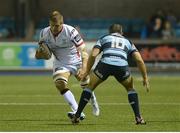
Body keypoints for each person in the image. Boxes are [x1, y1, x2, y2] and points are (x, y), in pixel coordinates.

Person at [71, 24, 150, 125]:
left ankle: (77, 116)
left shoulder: (104, 38)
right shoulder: (128, 41)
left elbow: (94, 55)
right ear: (122, 32)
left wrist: (86, 71)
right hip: (122, 66)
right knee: (131, 89)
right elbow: (139, 60)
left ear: (109, 32)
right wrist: (145, 78)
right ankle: (138, 118)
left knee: (89, 87)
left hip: (105, 65)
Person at [35, 11, 100, 120]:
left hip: (77, 61)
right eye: (51, 25)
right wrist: (39, 54)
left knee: (86, 85)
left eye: (57, 26)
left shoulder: (71, 31)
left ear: (62, 23)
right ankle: (77, 111)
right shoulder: (43, 33)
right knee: (60, 83)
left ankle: (93, 102)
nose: (54, 28)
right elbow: (44, 55)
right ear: (49, 23)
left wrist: (84, 68)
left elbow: (84, 50)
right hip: (61, 63)